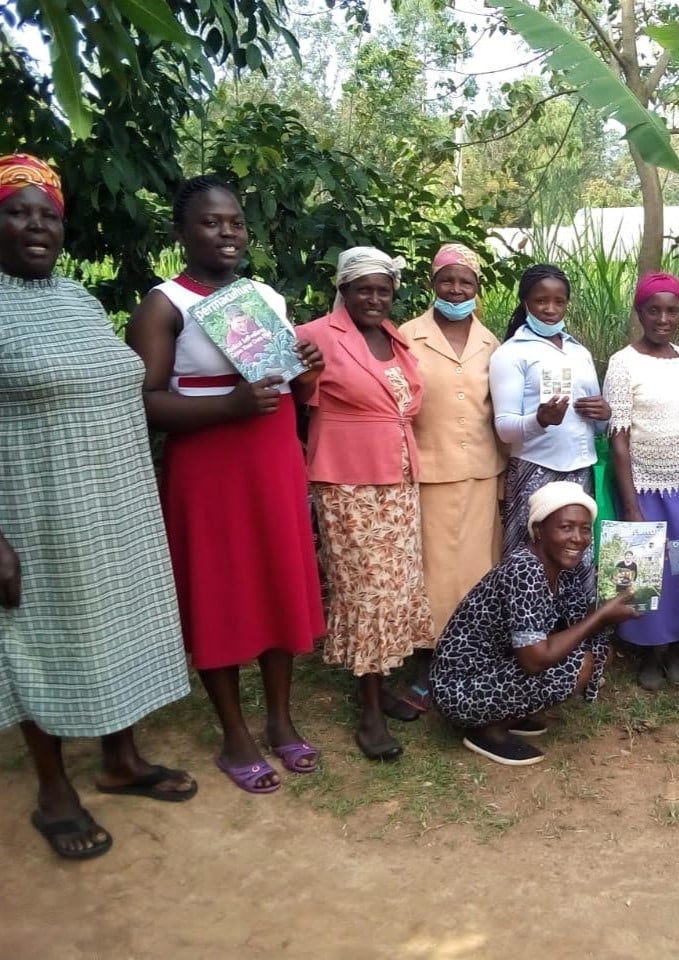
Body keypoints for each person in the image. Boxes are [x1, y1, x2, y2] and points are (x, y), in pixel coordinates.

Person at [0, 153, 194, 860]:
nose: (35, 225)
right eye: (16, 211)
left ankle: (122, 759)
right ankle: (53, 790)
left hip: (114, 503)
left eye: (47, 214)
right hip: (35, 511)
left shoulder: (79, 299)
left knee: (114, 627)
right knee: (38, 642)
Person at [126, 175, 326, 795]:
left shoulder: (264, 295)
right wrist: (227, 409)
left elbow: (280, 379)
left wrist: (302, 371)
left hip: (269, 456)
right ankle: (234, 734)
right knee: (220, 589)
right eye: (211, 223)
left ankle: (281, 720)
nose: (227, 233)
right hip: (208, 461)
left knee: (276, 580)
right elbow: (143, 403)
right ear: (182, 233)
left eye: (235, 221)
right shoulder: (163, 306)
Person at [296, 246, 436, 761]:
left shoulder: (393, 338)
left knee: (397, 586)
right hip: (349, 482)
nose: (374, 298)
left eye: (383, 289)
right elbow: (294, 397)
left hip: (398, 479)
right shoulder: (315, 337)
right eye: (363, 290)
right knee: (366, 590)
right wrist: (301, 375)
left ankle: (380, 687)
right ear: (343, 290)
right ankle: (370, 711)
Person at [429, 482, 639, 766]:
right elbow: (534, 660)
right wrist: (601, 616)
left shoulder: (563, 568)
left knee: (599, 649)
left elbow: (580, 623)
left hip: (496, 667)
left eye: (585, 528)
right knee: (580, 664)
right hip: (460, 687)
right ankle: (486, 730)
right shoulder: (524, 569)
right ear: (539, 530)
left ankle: (506, 714)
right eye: (566, 527)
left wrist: (616, 598)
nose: (578, 538)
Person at [398, 243, 507, 711]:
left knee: (477, 570)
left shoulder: (492, 343)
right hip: (430, 471)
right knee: (434, 573)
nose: (456, 289)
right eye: (448, 280)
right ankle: (429, 662)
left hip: (483, 472)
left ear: (477, 289)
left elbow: (496, 412)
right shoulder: (407, 336)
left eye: (466, 282)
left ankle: (473, 657)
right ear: (432, 284)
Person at [603, 272, 679, 689]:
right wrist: (631, 503)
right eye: (654, 310)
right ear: (640, 313)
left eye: (672, 310)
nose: (664, 318)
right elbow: (618, 439)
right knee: (642, 570)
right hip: (645, 486)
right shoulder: (622, 363)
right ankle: (648, 652)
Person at [489, 264, 610, 557]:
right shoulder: (511, 353)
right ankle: (528, 604)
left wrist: (604, 416)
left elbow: (595, 426)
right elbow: (504, 429)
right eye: (540, 301)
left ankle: (575, 605)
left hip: (579, 470)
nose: (550, 309)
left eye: (559, 301)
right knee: (533, 553)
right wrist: (539, 420)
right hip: (536, 468)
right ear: (525, 302)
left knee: (576, 553)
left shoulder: (578, 352)